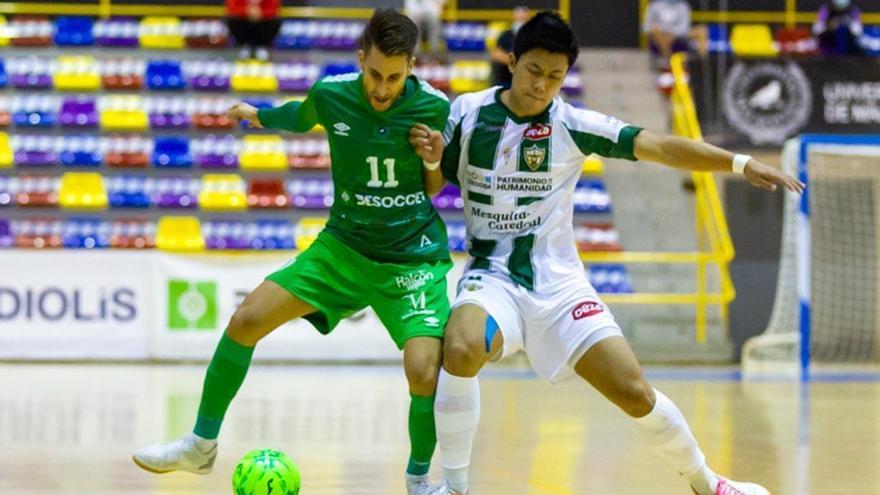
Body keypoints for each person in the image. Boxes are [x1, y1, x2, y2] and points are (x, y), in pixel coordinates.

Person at [408, 11, 804, 495]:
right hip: (491, 279)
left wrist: (739, 163)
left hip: (559, 285)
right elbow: (433, 182)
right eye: (534, 71)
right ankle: (455, 487)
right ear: (512, 61)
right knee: (463, 347)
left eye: (555, 77)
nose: (542, 86)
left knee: (634, 393)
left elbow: (660, 146)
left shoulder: (572, 124)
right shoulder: (465, 112)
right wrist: (430, 157)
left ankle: (709, 484)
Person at [133, 9, 454, 495]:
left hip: (412, 259)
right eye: (374, 74)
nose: (382, 88)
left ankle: (418, 481)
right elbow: (300, 116)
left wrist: (433, 158)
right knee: (246, 320)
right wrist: (257, 114)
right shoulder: (332, 94)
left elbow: (436, 185)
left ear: (411, 65)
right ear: (360, 57)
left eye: (393, 76)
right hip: (341, 249)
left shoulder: (434, 107)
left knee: (424, 371)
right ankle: (199, 447)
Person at [643, 0, 707, 68]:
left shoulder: (683, 5)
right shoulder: (655, 5)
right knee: (657, 31)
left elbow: (684, 27)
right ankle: (667, 61)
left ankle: (701, 62)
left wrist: (673, 35)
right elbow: (646, 27)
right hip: (660, 37)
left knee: (702, 30)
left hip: (679, 37)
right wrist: (665, 32)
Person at [489, 6, 529, 88]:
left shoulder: (531, 36)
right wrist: (517, 63)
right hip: (504, 79)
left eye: (523, 19)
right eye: (519, 19)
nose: (520, 21)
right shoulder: (506, 35)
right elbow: (497, 54)